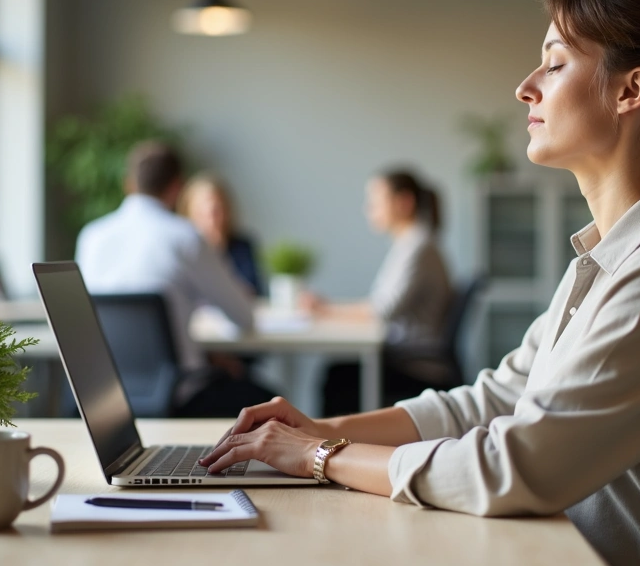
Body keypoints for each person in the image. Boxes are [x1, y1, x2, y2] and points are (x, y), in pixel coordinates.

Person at [198, 0, 640, 566]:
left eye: (555, 64)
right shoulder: (609, 262)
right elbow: (492, 402)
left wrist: (320, 455)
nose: (525, 88)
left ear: (631, 90)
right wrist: (318, 429)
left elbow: (513, 468)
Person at [76, 142, 275, 417]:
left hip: (106, 397)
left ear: (129, 183)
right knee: (276, 405)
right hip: (180, 397)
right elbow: (244, 317)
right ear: (176, 187)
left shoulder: (91, 237)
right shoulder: (186, 237)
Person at [319, 169, 454, 415]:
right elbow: (380, 304)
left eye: (375, 202)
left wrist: (326, 310)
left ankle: (330, 451)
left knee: (337, 380)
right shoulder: (409, 243)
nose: (369, 209)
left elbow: (382, 310)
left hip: (416, 365)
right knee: (336, 374)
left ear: (404, 202)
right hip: (405, 355)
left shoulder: (418, 247)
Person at [179, 174, 265, 296]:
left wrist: (219, 250)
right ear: (190, 212)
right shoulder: (185, 248)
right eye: (204, 212)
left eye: (217, 210)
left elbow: (253, 288)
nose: (212, 219)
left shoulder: (242, 246)